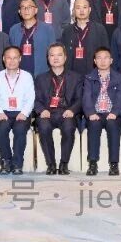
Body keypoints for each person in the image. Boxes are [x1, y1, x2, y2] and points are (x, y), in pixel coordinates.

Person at [35, 43, 83, 175]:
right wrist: (41, 110)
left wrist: (72, 110)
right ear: (48, 58)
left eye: (59, 55)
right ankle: (51, 164)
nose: (55, 58)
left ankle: (64, 163)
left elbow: (80, 99)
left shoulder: (76, 77)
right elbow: (36, 99)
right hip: (47, 113)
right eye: (52, 55)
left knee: (68, 128)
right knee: (43, 127)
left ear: (65, 57)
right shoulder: (40, 78)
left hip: (66, 112)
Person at [83, 48, 121, 176]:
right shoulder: (89, 78)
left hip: (113, 113)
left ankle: (114, 164)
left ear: (111, 60)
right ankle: (93, 163)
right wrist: (91, 113)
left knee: (113, 126)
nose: (103, 61)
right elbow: (86, 97)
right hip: (95, 113)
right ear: (95, 61)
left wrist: (114, 112)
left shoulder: (120, 78)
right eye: (99, 58)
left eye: (106, 57)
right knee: (93, 126)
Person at [0, 46, 33, 175]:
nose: (12, 61)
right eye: (9, 58)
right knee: (1, 129)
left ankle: (17, 164)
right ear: (3, 59)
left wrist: (24, 113)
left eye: (15, 58)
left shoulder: (27, 76)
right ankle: (6, 161)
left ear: (20, 59)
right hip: (3, 112)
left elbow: (31, 98)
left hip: (21, 112)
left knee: (20, 129)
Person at [60, 0, 108, 76]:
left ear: (89, 10)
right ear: (73, 10)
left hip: (94, 74)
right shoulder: (67, 31)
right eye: (78, 8)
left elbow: (105, 53)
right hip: (72, 75)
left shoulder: (99, 29)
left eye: (85, 7)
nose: (81, 11)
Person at [9, 0, 57, 76]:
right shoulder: (14, 30)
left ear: (36, 10)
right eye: (23, 7)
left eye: (29, 7)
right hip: (19, 76)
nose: (26, 10)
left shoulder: (47, 29)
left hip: (41, 75)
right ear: (19, 12)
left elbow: (53, 53)